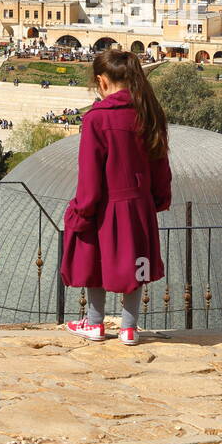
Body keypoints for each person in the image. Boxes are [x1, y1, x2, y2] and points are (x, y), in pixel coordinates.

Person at [62, 48, 171, 347]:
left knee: (96, 258)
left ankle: (95, 324)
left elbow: (90, 175)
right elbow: (161, 165)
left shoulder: (96, 119)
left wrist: (81, 210)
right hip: (139, 206)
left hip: (105, 206)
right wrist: (158, 200)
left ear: (102, 82)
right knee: (135, 263)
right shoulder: (149, 113)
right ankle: (129, 329)